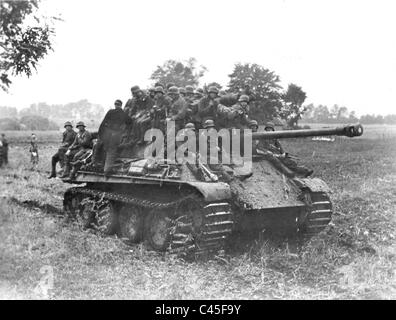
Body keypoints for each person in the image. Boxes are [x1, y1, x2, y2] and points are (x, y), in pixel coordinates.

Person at [93, 99, 133, 176]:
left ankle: (96, 165)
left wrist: (100, 134)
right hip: (115, 135)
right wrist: (124, 130)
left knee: (103, 149)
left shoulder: (110, 112)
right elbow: (130, 122)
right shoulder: (123, 114)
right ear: (121, 105)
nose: (116, 106)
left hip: (106, 134)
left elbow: (103, 122)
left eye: (116, 104)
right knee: (111, 152)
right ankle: (107, 170)